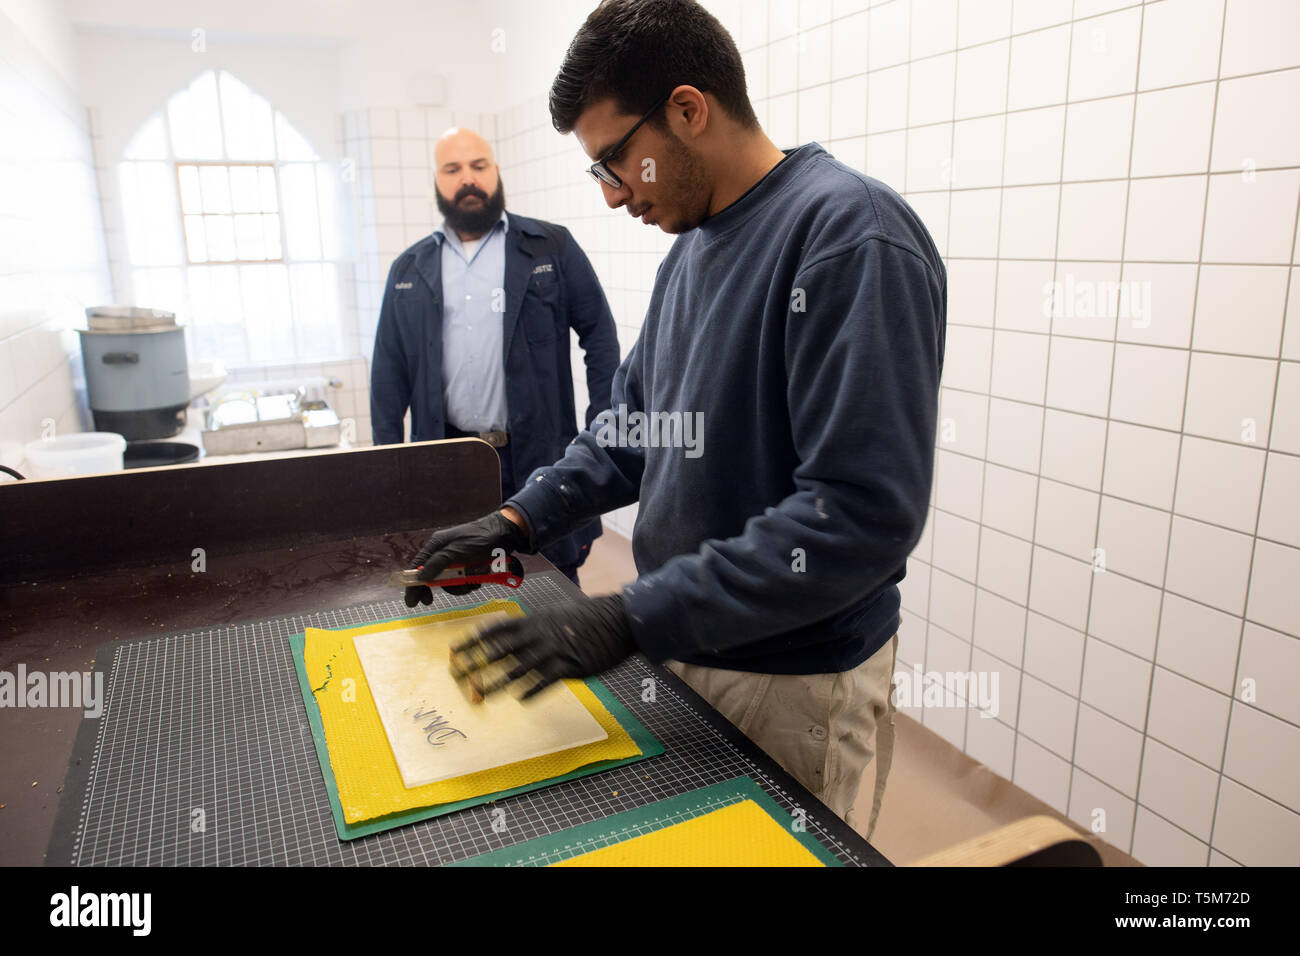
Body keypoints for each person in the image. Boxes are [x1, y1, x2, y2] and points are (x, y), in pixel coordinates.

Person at [418, 0, 947, 839]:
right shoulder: (690, 255)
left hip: (793, 675)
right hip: (687, 643)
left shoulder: (849, 237)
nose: (612, 196)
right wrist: (520, 516)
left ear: (688, 110)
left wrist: (632, 614)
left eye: (614, 163)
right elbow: (634, 430)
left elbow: (859, 515)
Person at [370, 127, 620, 589]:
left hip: (542, 456)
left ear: (496, 172)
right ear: (437, 182)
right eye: (453, 169)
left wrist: (601, 423)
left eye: (479, 166)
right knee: (457, 582)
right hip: (450, 461)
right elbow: (388, 375)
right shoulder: (409, 268)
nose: (468, 178)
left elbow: (600, 337)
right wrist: (392, 473)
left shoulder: (551, 247)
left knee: (553, 584)